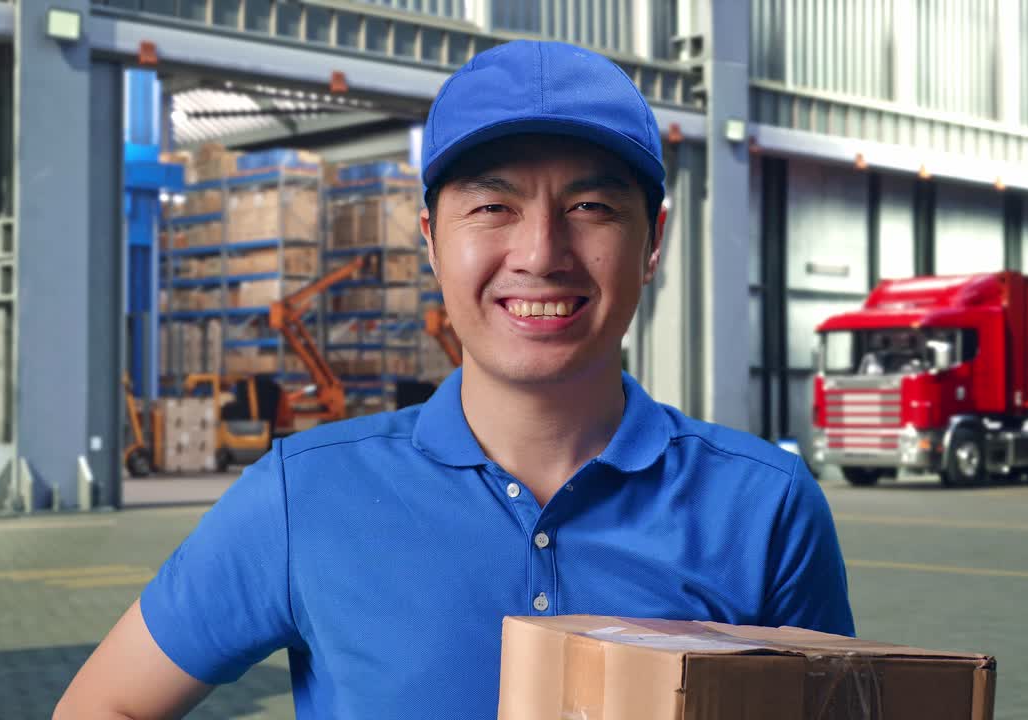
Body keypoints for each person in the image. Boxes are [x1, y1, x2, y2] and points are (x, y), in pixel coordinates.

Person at [55, 40, 854, 720]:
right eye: (493, 208)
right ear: (432, 240)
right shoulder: (306, 496)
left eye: (590, 206)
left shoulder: (765, 508)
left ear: (653, 244)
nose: (541, 253)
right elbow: (102, 704)